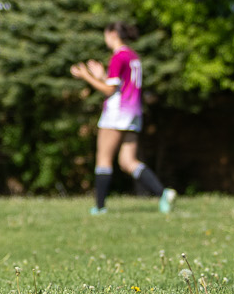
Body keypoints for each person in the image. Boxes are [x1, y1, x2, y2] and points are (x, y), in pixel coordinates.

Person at [70, 21, 175, 214]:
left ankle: (99, 207)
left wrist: (86, 76)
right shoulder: (133, 56)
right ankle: (162, 193)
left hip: (117, 112)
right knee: (127, 161)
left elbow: (110, 91)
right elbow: (119, 86)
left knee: (103, 158)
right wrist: (101, 76)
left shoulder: (118, 56)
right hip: (133, 112)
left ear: (112, 34)